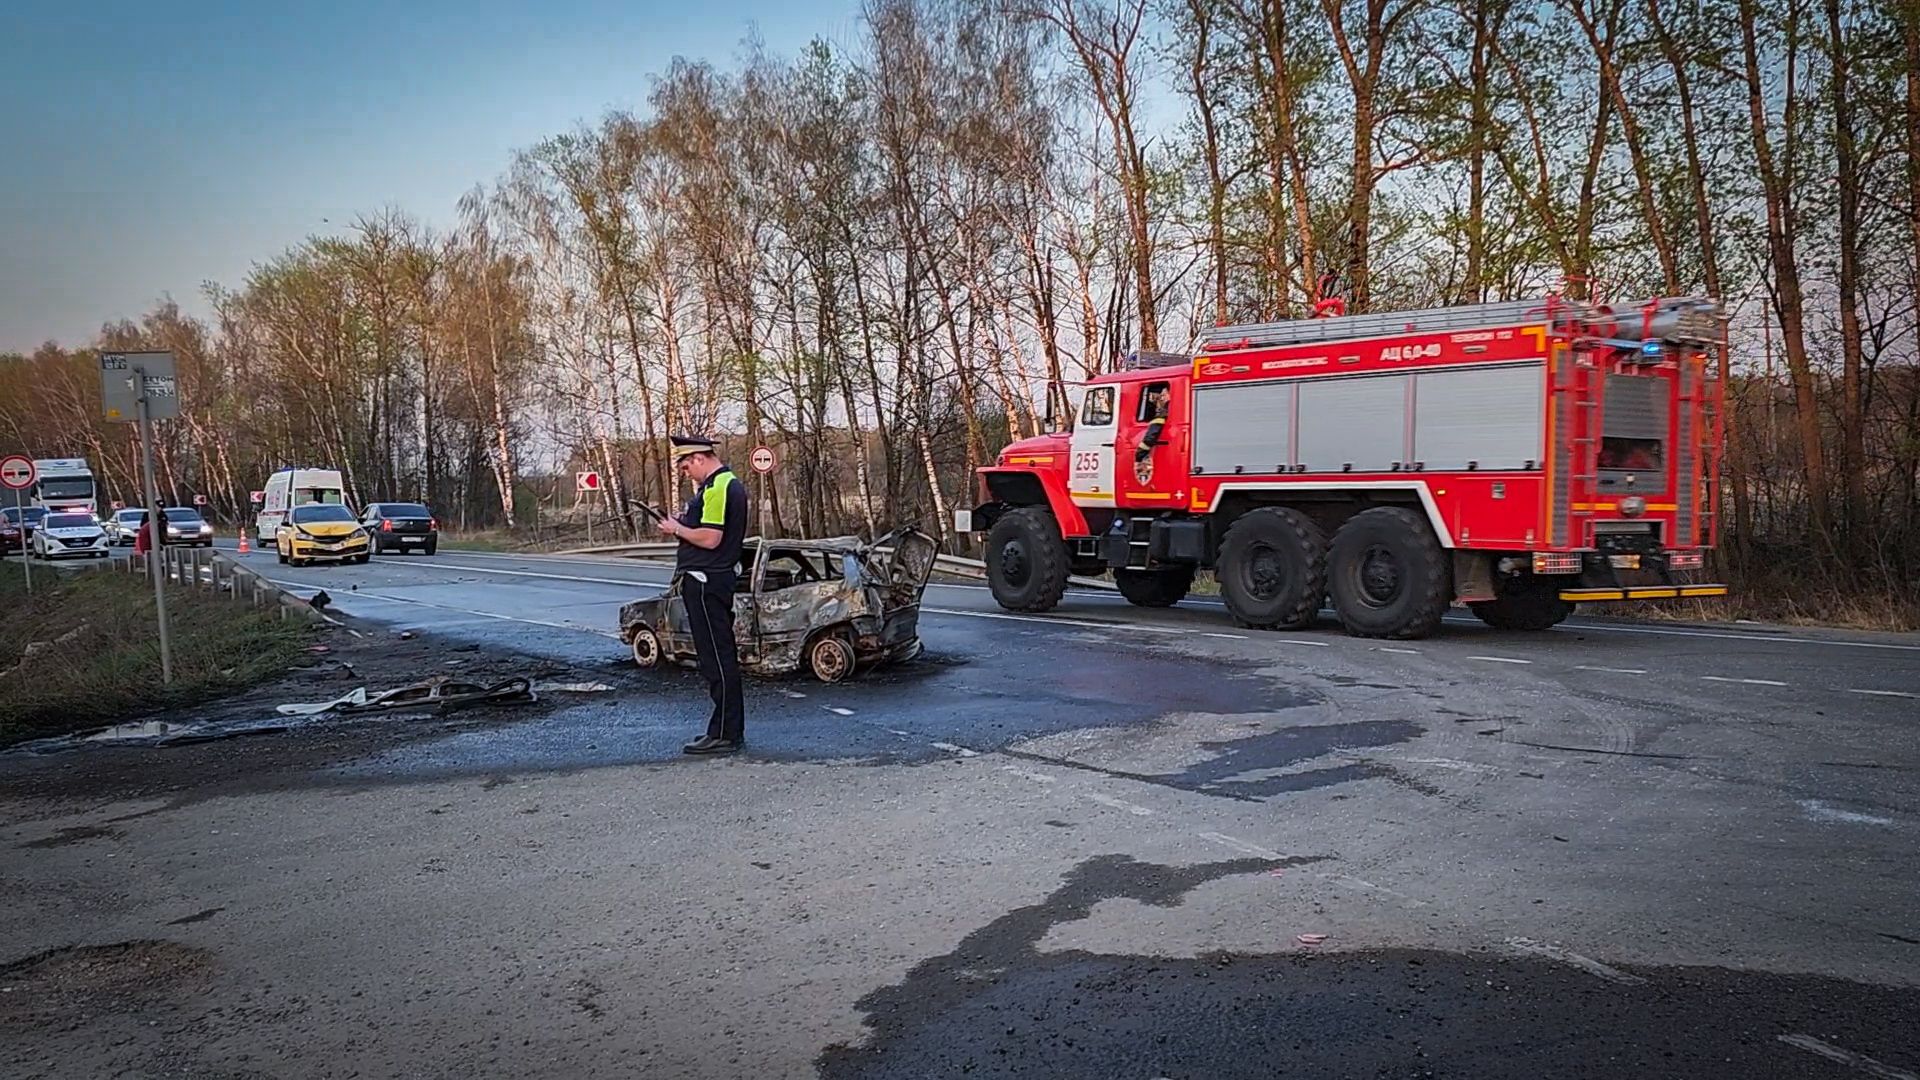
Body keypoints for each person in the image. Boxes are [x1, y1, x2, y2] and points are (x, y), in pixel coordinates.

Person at [657, 434, 750, 756]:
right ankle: (723, 729)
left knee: (717, 658)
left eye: (685, 467)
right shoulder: (718, 487)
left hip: (708, 580)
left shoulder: (719, 487)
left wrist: (677, 529)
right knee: (715, 657)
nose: (686, 474)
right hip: (709, 578)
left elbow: (711, 538)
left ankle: (726, 733)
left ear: (698, 458)